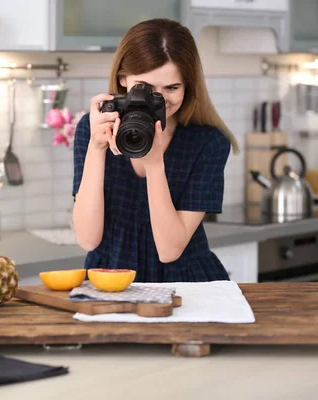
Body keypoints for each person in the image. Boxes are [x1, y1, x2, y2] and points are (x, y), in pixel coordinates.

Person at [71, 18, 240, 283]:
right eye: (146, 88)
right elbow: (87, 239)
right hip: (110, 281)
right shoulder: (90, 129)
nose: (158, 100)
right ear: (123, 79)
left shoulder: (208, 143)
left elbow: (170, 251)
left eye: (172, 88)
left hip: (185, 285)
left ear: (188, 85)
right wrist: (96, 146)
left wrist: (154, 163)